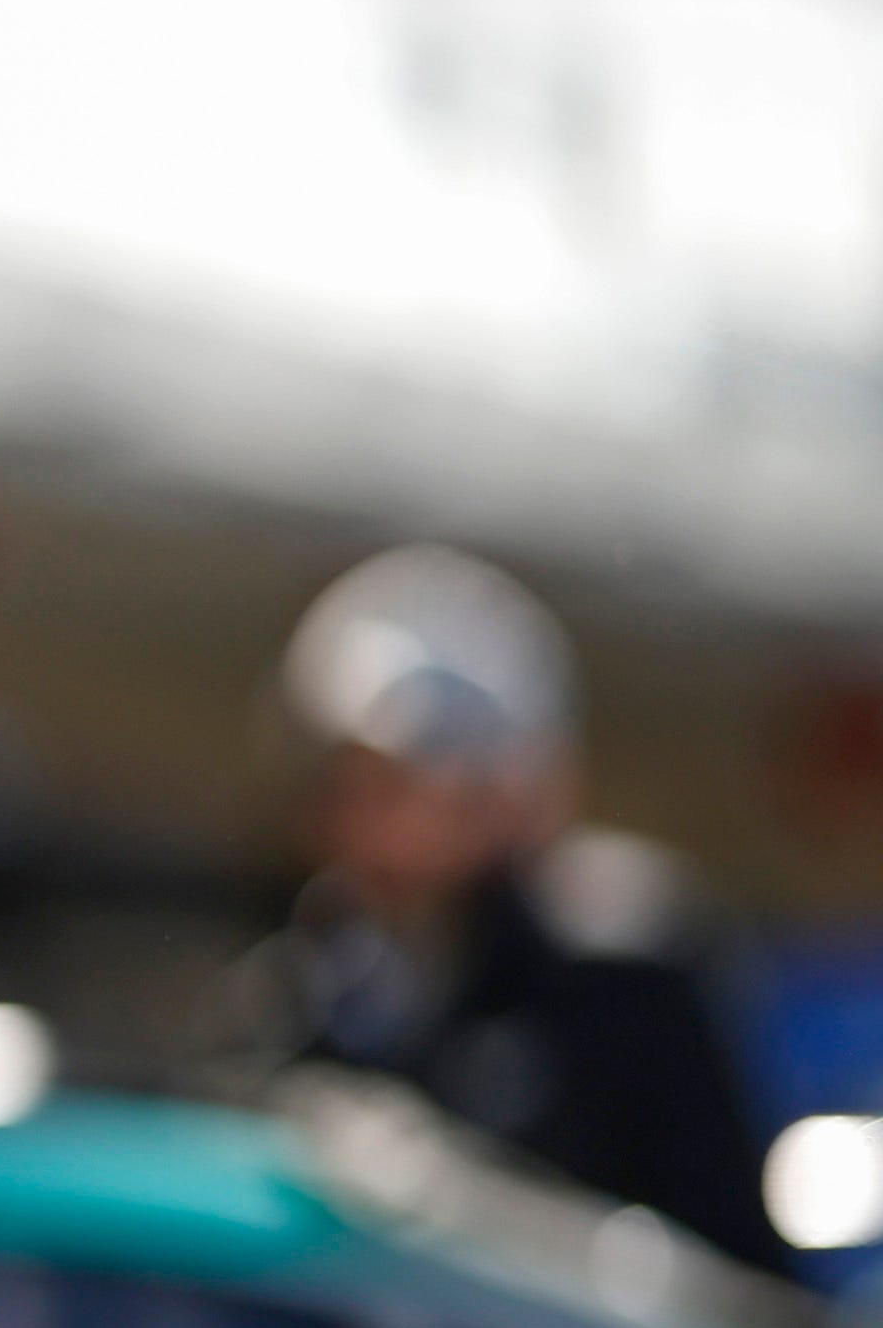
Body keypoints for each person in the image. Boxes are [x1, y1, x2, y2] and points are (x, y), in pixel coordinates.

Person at [258, 543, 793, 1276]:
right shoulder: (313, 985)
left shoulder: (620, 979)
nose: (369, 823)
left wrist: (469, 1197)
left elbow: (730, 1276)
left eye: (403, 787)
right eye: (350, 785)